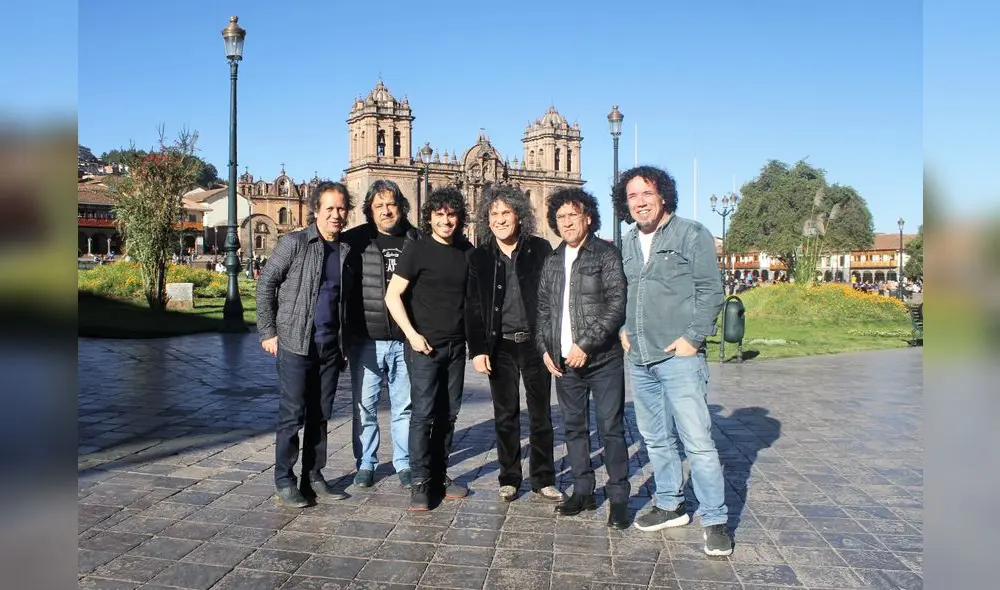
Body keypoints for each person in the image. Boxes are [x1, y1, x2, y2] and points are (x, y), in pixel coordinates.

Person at [613, 165, 731, 556]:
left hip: (678, 356)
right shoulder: (628, 241)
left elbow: (711, 290)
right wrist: (624, 330)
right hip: (641, 356)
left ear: (663, 195)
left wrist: (693, 339)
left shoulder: (690, 233)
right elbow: (629, 292)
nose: (640, 202)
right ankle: (670, 503)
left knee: (697, 442)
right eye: (632, 196)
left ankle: (715, 519)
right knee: (655, 438)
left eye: (646, 193)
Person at [535, 187, 631, 530]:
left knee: (611, 428)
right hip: (563, 363)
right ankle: (583, 490)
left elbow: (615, 306)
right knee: (574, 429)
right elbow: (543, 310)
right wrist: (545, 348)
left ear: (588, 217)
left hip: (602, 360)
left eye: (572, 215)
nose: (566, 222)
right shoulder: (552, 260)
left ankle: (619, 497)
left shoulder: (606, 254)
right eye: (560, 217)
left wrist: (586, 345)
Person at [256, 181, 354, 508]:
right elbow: (266, 285)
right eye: (330, 209)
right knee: (293, 414)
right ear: (316, 211)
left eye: (341, 209)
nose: (336, 215)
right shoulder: (295, 243)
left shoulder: (345, 251)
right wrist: (268, 332)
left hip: (330, 347)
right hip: (296, 343)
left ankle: (313, 476)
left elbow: (342, 301)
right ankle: (284, 479)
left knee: (321, 415)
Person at [465, 185, 562, 503]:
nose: (500, 219)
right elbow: (473, 306)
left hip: (536, 345)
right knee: (505, 415)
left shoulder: (540, 249)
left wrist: (551, 343)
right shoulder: (479, 256)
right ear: (486, 220)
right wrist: (478, 349)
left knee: (540, 414)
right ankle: (509, 478)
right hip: (500, 346)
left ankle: (543, 478)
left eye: (506, 212)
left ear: (519, 215)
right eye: (493, 214)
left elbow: (554, 298)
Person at [385, 187, 474, 511]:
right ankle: (421, 483)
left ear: (459, 218)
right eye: (440, 215)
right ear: (430, 218)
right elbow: (392, 295)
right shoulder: (417, 250)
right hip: (423, 348)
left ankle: (439, 474)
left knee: (448, 415)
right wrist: (411, 334)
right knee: (423, 415)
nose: (446, 220)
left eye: (451, 215)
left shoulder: (466, 250)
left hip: (455, 347)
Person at [342, 179, 420, 490]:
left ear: (401, 207)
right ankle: (366, 463)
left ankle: (404, 462)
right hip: (366, 339)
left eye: (391, 205)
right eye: (379, 206)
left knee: (404, 406)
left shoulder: (417, 239)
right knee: (365, 406)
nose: (386, 211)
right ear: (369, 211)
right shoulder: (354, 241)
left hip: (405, 340)